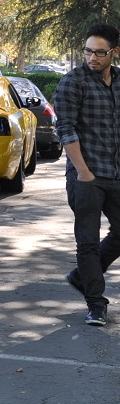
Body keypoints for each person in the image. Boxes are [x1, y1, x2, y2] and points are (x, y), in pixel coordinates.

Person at [55, 23, 120, 327]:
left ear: (114, 52)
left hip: (116, 173)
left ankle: (82, 277)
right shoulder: (73, 82)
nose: (92, 57)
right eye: (88, 51)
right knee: (88, 241)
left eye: (99, 52)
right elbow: (66, 129)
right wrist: (82, 172)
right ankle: (96, 304)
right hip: (86, 175)